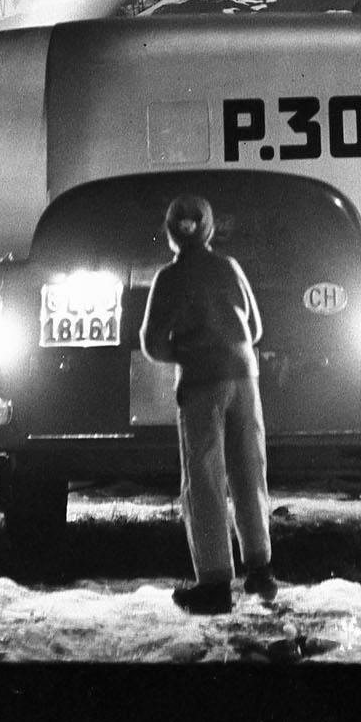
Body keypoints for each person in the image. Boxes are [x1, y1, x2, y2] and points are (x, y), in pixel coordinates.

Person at [139, 192, 277, 613]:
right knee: (249, 472)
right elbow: (254, 327)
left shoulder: (169, 278)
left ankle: (215, 583)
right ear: (210, 228)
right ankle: (260, 569)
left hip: (202, 385)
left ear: (169, 233)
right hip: (244, 378)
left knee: (205, 480)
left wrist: (186, 352)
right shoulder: (230, 268)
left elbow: (151, 343)